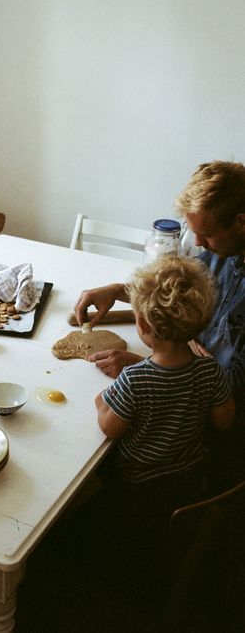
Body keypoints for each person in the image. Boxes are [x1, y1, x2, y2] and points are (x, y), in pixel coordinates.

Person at [74, 161, 245, 413]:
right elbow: (178, 289)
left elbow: (229, 394)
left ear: (241, 223)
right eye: (193, 231)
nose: (198, 242)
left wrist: (152, 371)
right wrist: (116, 291)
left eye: (206, 234)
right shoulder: (223, 252)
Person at [95, 255, 235, 502]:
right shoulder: (211, 371)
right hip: (189, 479)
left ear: (142, 323)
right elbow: (224, 421)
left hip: (137, 484)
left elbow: (109, 428)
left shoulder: (135, 379)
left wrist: (101, 400)